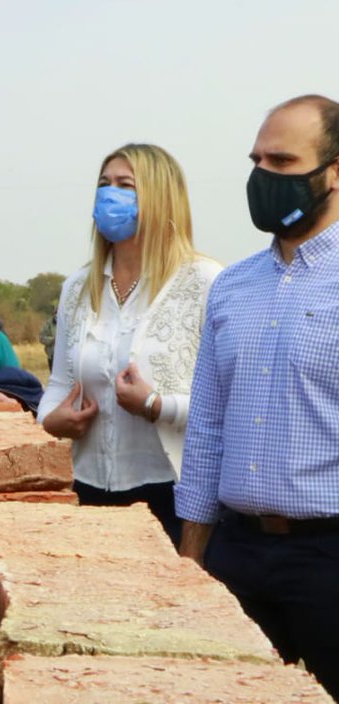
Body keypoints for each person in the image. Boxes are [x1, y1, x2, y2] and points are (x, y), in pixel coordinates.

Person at [176, 95, 339, 696]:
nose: (264, 177)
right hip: (236, 552)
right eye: (257, 160)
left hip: (329, 558)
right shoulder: (233, 286)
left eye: (283, 161)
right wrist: (191, 559)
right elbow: (209, 428)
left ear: (335, 171)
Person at [38, 144, 221, 545]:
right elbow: (60, 381)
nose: (109, 195)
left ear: (159, 197)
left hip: (174, 497)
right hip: (89, 491)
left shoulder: (206, 283)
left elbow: (227, 404)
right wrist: (49, 422)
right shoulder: (78, 288)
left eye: (125, 185)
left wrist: (156, 405)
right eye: (104, 184)